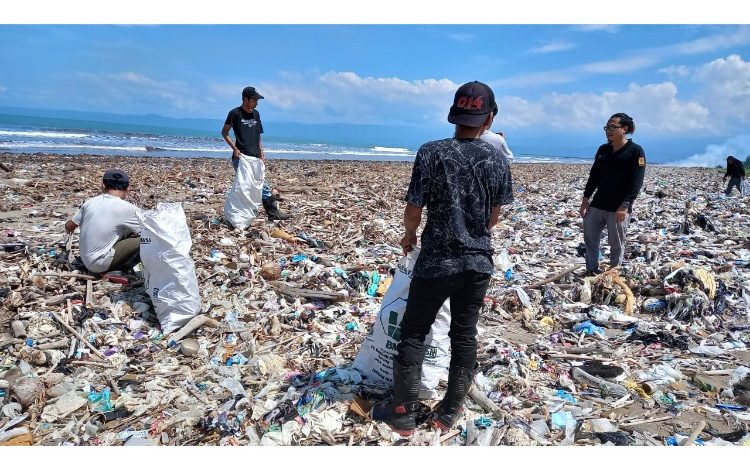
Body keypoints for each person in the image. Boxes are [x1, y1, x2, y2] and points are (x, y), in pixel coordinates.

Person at [376, 81, 514, 436]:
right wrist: (472, 231)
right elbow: (493, 217)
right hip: (477, 263)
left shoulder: (431, 152)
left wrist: (410, 235)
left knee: (414, 333)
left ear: (454, 114)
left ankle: (403, 413)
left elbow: (414, 208)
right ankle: (449, 412)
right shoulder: (498, 159)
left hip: (437, 261)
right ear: (489, 118)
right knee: (464, 336)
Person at [580, 113, 645, 276]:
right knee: (590, 237)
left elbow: (636, 181)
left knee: (616, 243)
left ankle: (614, 273)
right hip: (598, 203)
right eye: (607, 127)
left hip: (618, 207)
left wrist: (625, 205)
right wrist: (586, 199)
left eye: (612, 127)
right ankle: (591, 270)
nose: (608, 131)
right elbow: (594, 176)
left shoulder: (635, 151)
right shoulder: (603, 150)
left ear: (624, 129)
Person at [221, 86, 290, 221]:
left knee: (260, 184)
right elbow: (224, 132)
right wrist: (234, 148)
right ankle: (262, 213)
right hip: (241, 158)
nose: (257, 103)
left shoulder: (256, 114)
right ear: (245, 99)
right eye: (254, 100)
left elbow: (258, 136)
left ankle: (269, 212)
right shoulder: (235, 113)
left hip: (255, 157)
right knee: (247, 186)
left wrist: (262, 154)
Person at [65, 169, 141, 274]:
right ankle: (124, 270)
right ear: (128, 188)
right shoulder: (128, 208)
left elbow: (69, 226)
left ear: (103, 185)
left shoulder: (89, 203)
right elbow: (150, 232)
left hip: (86, 259)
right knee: (147, 239)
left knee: (127, 231)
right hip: (99, 263)